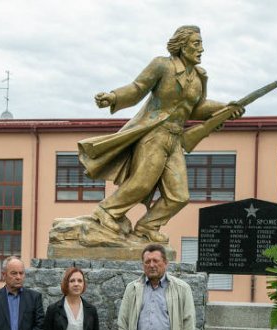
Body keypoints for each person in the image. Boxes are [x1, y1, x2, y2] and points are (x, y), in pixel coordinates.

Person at [79, 25, 243, 243]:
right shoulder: (162, 65)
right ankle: (107, 212)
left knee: (179, 196)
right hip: (153, 133)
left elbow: (195, 108)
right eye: (196, 43)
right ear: (182, 47)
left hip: (175, 139)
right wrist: (113, 97)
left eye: (201, 44)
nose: (201, 49)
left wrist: (224, 109)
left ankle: (147, 226)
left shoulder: (199, 77)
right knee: (142, 183)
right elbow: (137, 88)